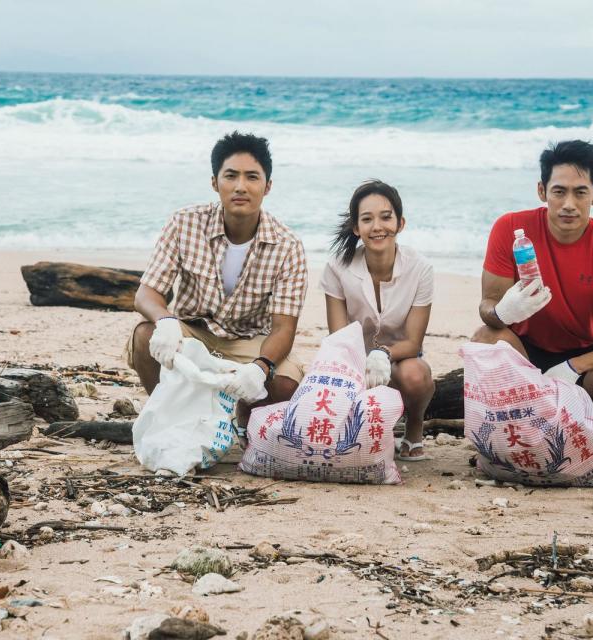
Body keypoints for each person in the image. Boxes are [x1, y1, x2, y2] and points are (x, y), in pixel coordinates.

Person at [125, 131, 307, 436]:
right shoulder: (184, 222)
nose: (240, 186)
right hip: (193, 330)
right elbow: (147, 293)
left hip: (250, 341)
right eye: (230, 176)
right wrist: (166, 320)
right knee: (146, 336)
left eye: (252, 177)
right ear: (214, 182)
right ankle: (167, 415)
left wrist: (260, 366)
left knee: (287, 386)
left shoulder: (287, 245)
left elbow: (283, 328)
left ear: (268, 186)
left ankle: (243, 413)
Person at [472, 140, 593, 419]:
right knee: (485, 341)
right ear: (541, 191)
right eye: (559, 192)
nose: (569, 205)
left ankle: (588, 427)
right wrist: (502, 311)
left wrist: (573, 367)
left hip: (586, 357)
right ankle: (515, 427)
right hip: (523, 351)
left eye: (580, 192)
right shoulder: (511, 229)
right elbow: (488, 309)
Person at [320, 180, 435, 460]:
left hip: (399, 361)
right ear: (356, 228)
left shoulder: (420, 269)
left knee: (416, 374)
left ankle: (413, 428)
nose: (378, 226)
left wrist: (383, 354)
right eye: (367, 219)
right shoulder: (337, 268)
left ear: (400, 223)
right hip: (352, 364)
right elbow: (338, 339)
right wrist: (363, 364)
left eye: (386, 217)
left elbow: (413, 342)